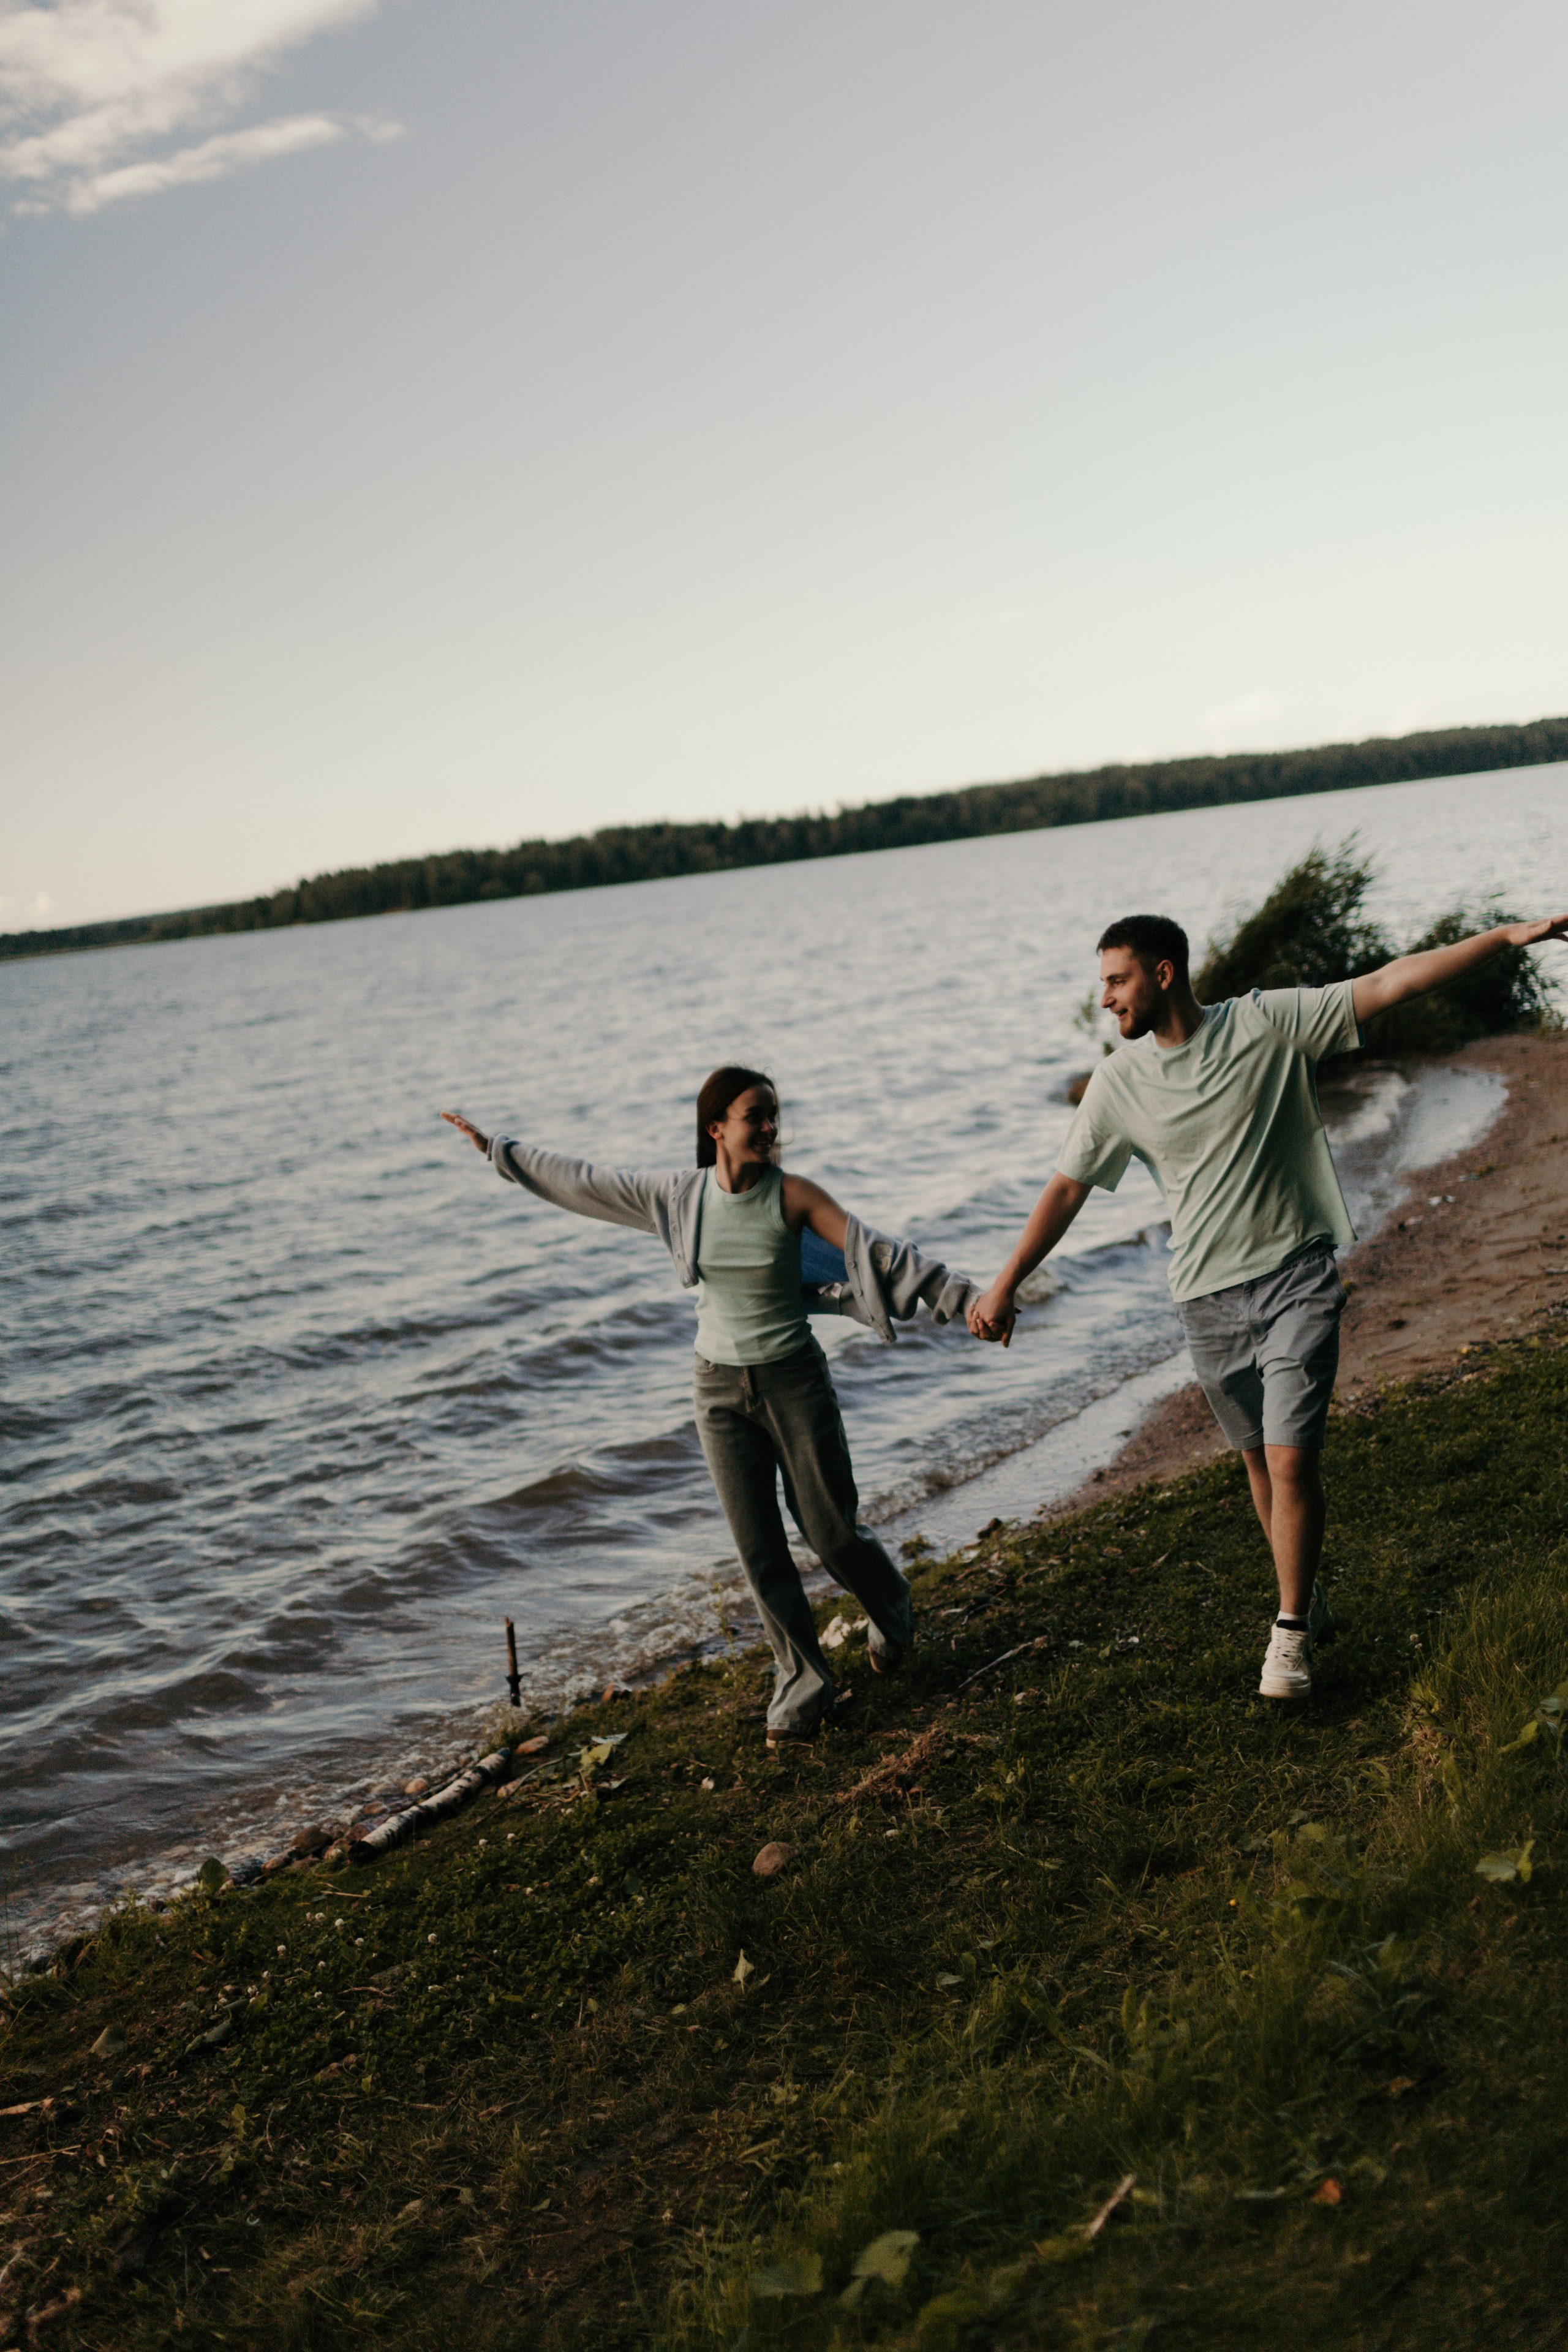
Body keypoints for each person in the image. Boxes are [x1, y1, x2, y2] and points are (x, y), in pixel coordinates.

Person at [968, 909, 1568, 1699]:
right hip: (1204, 1301)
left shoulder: (1267, 1022)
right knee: (1257, 1459)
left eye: (1116, 981)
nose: (1106, 1000)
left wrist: (1506, 938)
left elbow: (1389, 982)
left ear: (1162, 973)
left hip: (1295, 1278)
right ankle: (1305, 1593)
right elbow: (1068, 1187)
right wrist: (1008, 1279)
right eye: (1103, 984)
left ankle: (1287, 1634)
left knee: (1290, 1457)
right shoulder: (1118, 1082)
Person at [442, 1069, 981, 1748]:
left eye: (774, 1116)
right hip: (718, 1392)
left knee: (830, 1532)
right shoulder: (678, 1197)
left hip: (794, 1383)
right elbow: (586, 1182)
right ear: (715, 1127)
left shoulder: (795, 1197)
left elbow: (878, 1254)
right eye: (755, 1116)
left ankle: (892, 1606)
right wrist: (502, 1153)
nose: (769, 1128)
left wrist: (965, 1301)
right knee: (759, 1552)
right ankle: (804, 1684)